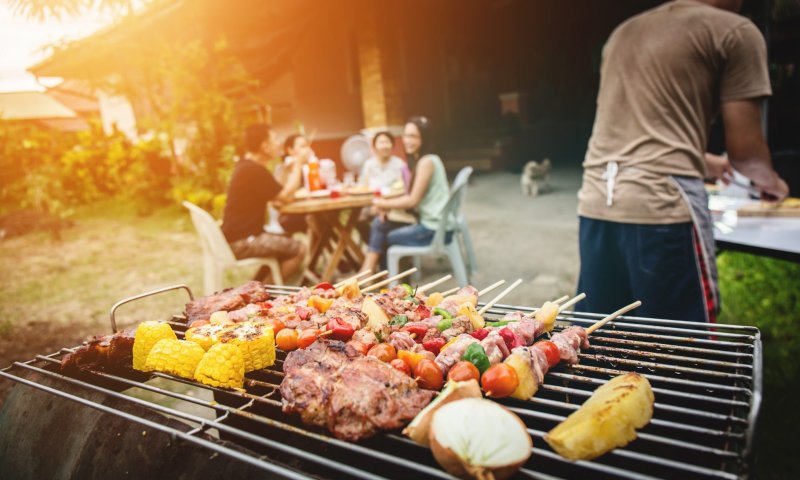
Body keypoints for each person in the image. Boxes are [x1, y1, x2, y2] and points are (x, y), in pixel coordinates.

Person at [576, 0, 789, 322]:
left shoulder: (623, 32)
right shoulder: (735, 31)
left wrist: (704, 161)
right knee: (681, 342)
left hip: (596, 202)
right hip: (661, 206)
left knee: (599, 335)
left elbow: (633, 136)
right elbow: (748, 158)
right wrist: (773, 183)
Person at [360, 117, 453, 273]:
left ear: (424, 138)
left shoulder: (426, 162)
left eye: (413, 136)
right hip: (431, 223)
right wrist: (385, 205)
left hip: (434, 229)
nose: (408, 141)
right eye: (406, 135)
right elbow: (409, 193)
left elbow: (412, 200)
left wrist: (381, 204)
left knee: (385, 236)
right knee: (379, 224)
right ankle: (374, 274)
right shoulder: (422, 160)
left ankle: (381, 275)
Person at [221, 124, 307, 283]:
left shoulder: (248, 167)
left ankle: (255, 288)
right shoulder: (253, 170)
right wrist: (298, 165)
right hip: (244, 241)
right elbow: (286, 197)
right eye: (275, 139)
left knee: (286, 240)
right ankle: (262, 293)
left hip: (239, 238)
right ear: (265, 146)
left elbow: (278, 194)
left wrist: (287, 170)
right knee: (299, 249)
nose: (279, 144)